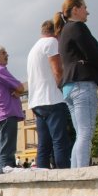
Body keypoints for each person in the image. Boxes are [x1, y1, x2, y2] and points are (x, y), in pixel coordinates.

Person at [54, 0, 98, 168]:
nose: (87, 12)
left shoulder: (64, 31)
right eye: (85, 8)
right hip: (83, 83)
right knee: (86, 133)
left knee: (81, 133)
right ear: (75, 9)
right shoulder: (77, 27)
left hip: (69, 86)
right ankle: (81, 172)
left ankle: (75, 171)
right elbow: (92, 53)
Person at [27, 20, 71, 169]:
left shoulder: (34, 48)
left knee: (43, 145)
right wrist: (65, 90)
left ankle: (41, 175)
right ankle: (65, 174)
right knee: (60, 141)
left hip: (37, 102)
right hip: (52, 98)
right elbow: (57, 71)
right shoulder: (51, 43)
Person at [0, 46, 25, 174]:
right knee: (7, 152)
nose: (7, 55)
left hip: (2, 113)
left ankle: (2, 178)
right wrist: (17, 91)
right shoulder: (0, 70)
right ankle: (3, 180)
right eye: (4, 53)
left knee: (5, 150)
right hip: (7, 112)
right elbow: (20, 87)